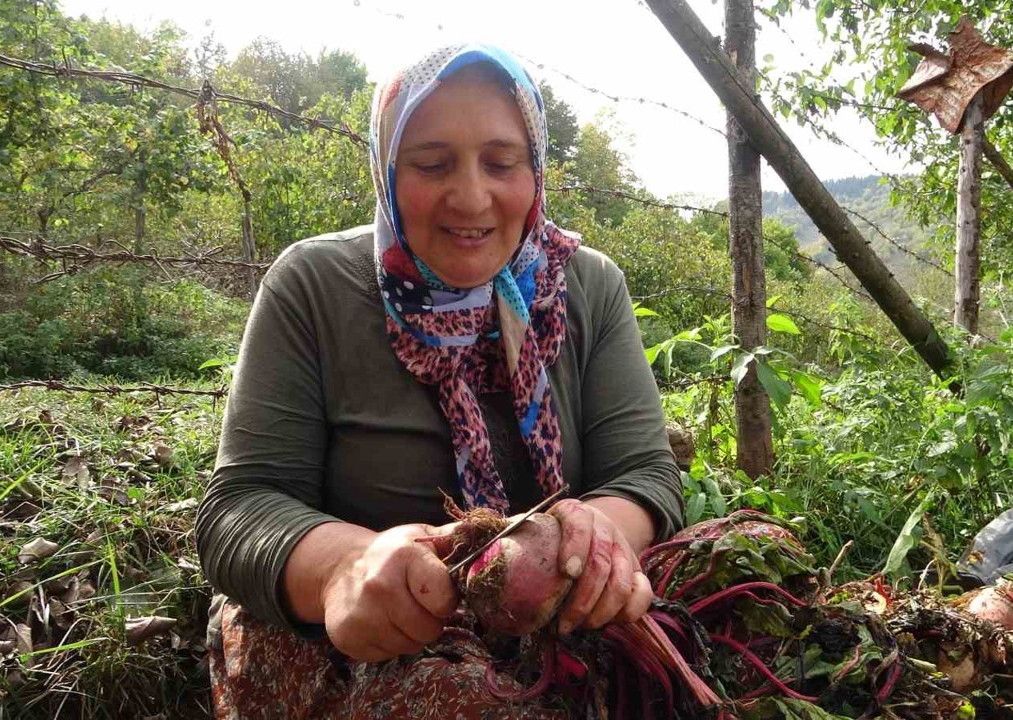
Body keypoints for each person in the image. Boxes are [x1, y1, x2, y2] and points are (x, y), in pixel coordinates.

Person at [196, 43, 683, 718]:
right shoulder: (312, 286)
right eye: (432, 164)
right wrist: (346, 569)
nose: (472, 196)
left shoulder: (589, 285)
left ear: (534, 169)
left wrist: (594, 539)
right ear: (387, 170)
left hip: (555, 623)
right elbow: (240, 509)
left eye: (501, 162)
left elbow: (645, 477)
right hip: (363, 645)